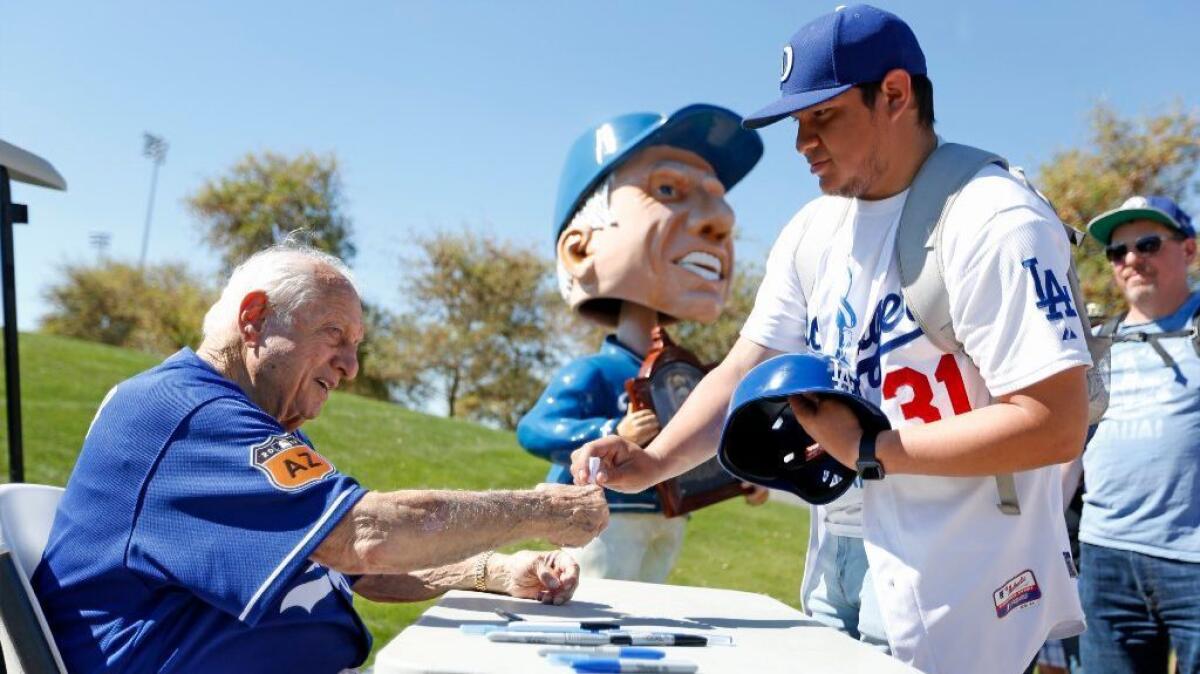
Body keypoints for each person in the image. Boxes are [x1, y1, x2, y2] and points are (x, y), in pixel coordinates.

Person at [571, 5, 1090, 673]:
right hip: (838, 558)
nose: (802, 142)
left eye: (824, 117)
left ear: (896, 94)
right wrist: (653, 463)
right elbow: (745, 368)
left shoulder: (995, 220)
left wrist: (871, 448)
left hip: (958, 578)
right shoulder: (814, 229)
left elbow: (1054, 424)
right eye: (797, 121)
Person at [32, 244, 609, 674]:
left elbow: (357, 568)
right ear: (253, 318)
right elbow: (368, 537)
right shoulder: (187, 414)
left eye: (357, 345)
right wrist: (540, 509)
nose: (351, 366)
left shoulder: (248, 424)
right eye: (335, 334)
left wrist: (492, 572)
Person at [516, 105, 768, 583]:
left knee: (647, 620)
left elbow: (699, 437)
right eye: (668, 190)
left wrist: (741, 474)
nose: (722, 219)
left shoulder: (689, 381)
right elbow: (536, 429)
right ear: (580, 247)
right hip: (603, 517)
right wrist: (615, 428)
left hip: (668, 517)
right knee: (598, 613)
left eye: (718, 200)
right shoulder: (593, 373)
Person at [1076, 195, 1200, 674]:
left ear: (1188, 250)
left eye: (1148, 244)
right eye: (1117, 251)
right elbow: (1073, 447)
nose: (1131, 259)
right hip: (1105, 557)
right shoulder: (1099, 340)